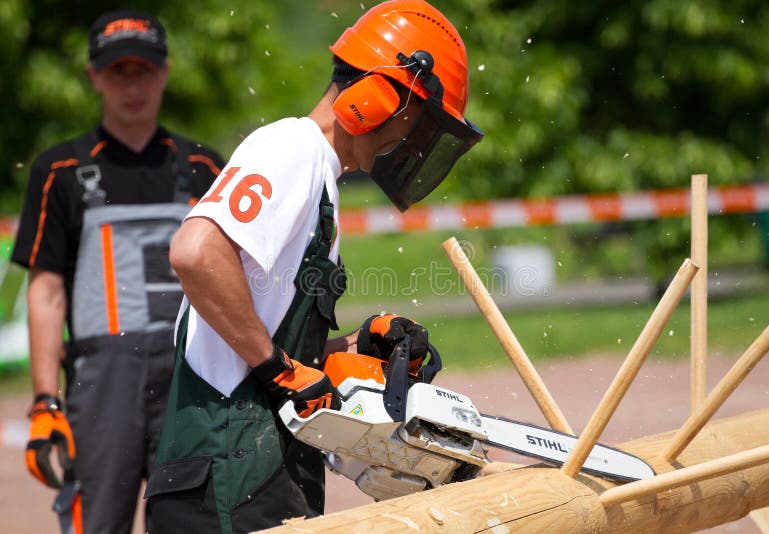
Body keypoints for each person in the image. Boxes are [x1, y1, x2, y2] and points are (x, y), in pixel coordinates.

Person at [144, 1, 483, 532]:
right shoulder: (291, 149)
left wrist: (355, 345)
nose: (410, 142)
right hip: (225, 476)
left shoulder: (321, 179)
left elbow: (261, 341)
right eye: (416, 123)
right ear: (377, 98)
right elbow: (195, 252)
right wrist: (279, 368)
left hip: (254, 470)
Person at [11, 9, 225, 533]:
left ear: (166, 72)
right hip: (101, 385)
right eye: (118, 72)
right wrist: (44, 402)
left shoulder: (205, 168)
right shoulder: (60, 170)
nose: (133, 85)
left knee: (193, 522)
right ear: (95, 77)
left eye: (144, 70)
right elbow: (46, 291)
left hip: (191, 380)